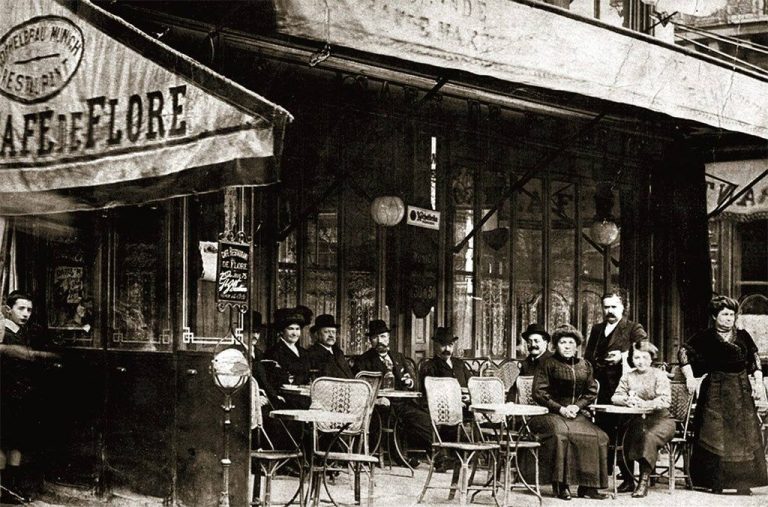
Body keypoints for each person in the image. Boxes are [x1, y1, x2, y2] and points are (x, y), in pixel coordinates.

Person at [679, 295, 768, 495]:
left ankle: (743, 484)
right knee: (715, 434)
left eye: (732, 315)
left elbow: (754, 359)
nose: (729, 318)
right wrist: (690, 377)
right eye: (725, 314)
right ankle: (715, 482)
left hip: (740, 390)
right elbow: (683, 352)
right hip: (715, 391)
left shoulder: (743, 335)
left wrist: (758, 383)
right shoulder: (704, 337)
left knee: (742, 436)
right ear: (714, 316)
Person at [528, 324, 609, 500]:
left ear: (577, 345)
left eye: (571, 342)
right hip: (548, 413)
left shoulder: (585, 365)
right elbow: (539, 392)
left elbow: (591, 391)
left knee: (599, 436)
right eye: (562, 342)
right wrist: (560, 408)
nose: (567, 346)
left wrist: (577, 406)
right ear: (556, 345)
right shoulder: (547, 363)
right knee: (561, 434)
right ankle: (561, 485)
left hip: (575, 413)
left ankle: (588, 487)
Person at [584, 290, 647, 490]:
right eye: (606, 307)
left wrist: (623, 355)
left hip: (624, 388)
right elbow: (588, 356)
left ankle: (629, 478)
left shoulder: (633, 328)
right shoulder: (597, 329)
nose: (610, 311)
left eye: (614, 307)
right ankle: (603, 475)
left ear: (622, 308)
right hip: (600, 387)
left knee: (625, 431)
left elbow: (644, 351)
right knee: (604, 430)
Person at [0, 291, 57, 504]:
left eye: (29, 310)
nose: (25, 313)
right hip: (4, 392)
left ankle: (12, 484)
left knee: (17, 439)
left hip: (21, 393)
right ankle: (5, 486)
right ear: (9, 309)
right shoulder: (2, 330)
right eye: (21, 308)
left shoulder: (27, 332)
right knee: (4, 439)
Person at [354, 319, 432, 463]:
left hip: (402, 402)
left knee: (424, 418)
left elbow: (413, 382)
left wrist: (410, 383)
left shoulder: (398, 357)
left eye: (383, 336)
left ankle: (438, 456)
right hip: (380, 405)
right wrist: (376, 400)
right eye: (375, 338)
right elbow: (359, 388)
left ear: (388, 338)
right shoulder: (363, 360)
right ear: (370, 341)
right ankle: (400, 457)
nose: (380, 341)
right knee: (392, 419)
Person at [610, 341, 675, 497]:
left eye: (645, 358)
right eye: (637, 357)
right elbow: (615, 397)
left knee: (648, 436)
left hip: (661, 420)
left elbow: (665, 400)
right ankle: (627, 480)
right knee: (622, 434)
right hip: (637, 419)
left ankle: (643, 481)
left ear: (651, 359)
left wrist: (646, 403)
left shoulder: (659, 375)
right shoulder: (628, 376)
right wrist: (627, 400)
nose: (641, 361)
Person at [263, 305, 313, 409]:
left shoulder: (303, 352)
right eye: (290, 329)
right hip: (286, 400)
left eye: (297, 329)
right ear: (282, 331)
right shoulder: (274, 352)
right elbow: (273, 381)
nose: (295, 333)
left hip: (304, 397)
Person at [306, 314, 353, 379]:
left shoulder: (339, 353)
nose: (331, 335)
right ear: (317, 334)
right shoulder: (311, 354)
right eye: (326, 332)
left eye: (333, 332)